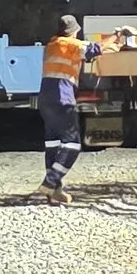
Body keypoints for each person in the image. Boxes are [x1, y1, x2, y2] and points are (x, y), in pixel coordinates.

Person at [39, 15, 100, 195]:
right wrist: (118, 36)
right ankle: (50, 183)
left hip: (45, 98)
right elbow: (95, 50)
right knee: (72, 145)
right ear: (74, 31)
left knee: (53, 143)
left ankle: (55, 190)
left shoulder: (51, 45)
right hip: (62, 99)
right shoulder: (71, 45)